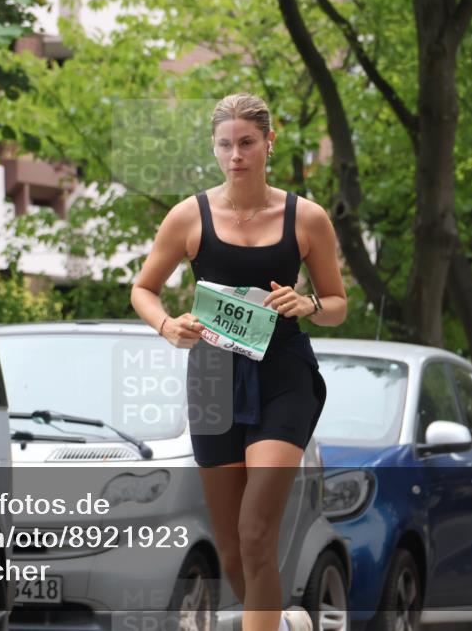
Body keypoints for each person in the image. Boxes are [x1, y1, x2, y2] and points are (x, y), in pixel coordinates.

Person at [130, 93, 347, 631]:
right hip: (213, 380)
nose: (236, 156)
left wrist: (309, 303)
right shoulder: (188, 216)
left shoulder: (306, 217)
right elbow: (143, 289)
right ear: (214, 147)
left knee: (255, 532)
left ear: (268, 143)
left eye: (247, 143)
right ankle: (278, 618)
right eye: (225, 145)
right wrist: (167, 325)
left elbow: (337, 304)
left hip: (284, 377)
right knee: (231, 549)